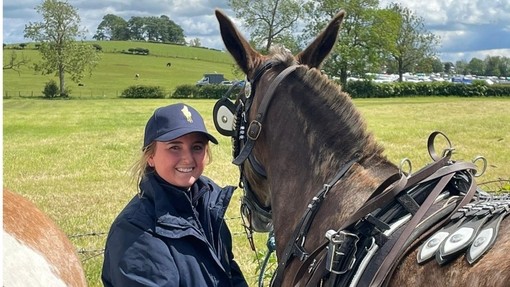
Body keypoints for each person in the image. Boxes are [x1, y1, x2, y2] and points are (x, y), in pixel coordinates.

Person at [102, 103, 248, 287]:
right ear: (151, 157)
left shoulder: (208, 207)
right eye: (174, 147)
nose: (188, 158)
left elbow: (229, 275)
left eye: (197, 147)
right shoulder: (135, 232)